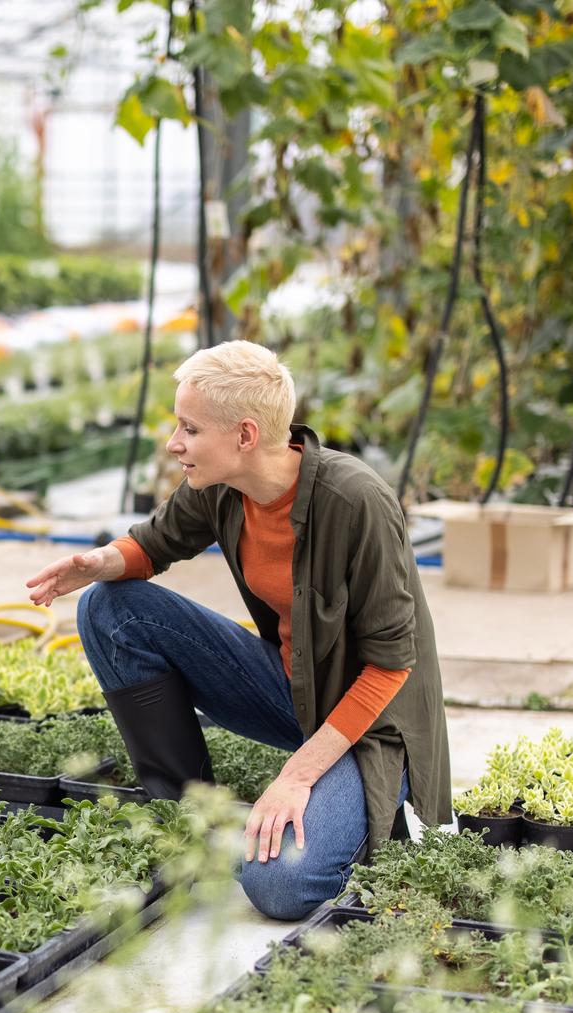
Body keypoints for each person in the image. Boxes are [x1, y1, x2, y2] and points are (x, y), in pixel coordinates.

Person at [26, 340, 451, 921]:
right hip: (291, 690)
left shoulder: (356, 502)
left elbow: (391, 666)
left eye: (189, 429)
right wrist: (96, 564)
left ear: (245, 436)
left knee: (279, 885)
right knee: (110, 608)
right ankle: (185, 824)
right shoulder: (222, 486)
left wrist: (298, 777)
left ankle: (363, 812)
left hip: (373, 726)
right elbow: (154, 544)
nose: (175, 444)